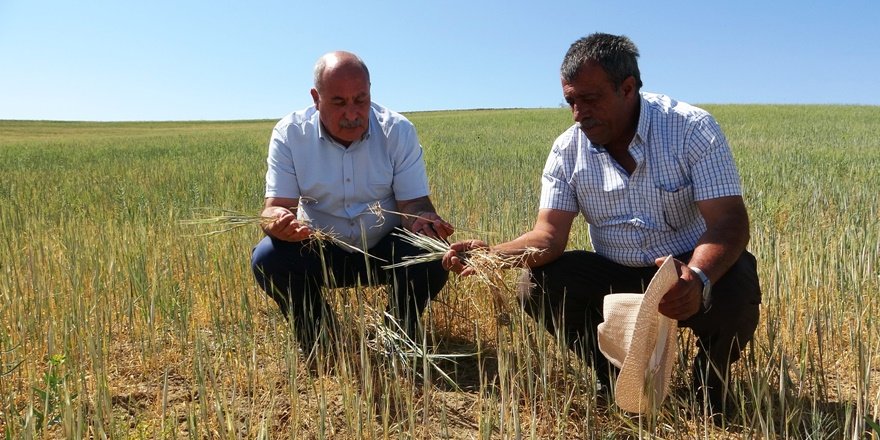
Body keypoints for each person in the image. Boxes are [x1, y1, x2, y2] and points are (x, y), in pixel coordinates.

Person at [443, 33, 761, 418]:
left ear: (628, 88)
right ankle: (615, 377)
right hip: (616, 274)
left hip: (683, 267)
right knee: (536, 285)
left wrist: (697, 277)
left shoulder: (691, 129)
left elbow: (729, 223)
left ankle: (708, 386)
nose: (579, 113)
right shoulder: (567, 151)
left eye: (590, 99)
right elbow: (548, 237)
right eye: (571, 101)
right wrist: (490, 256)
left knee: (738, 281)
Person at [251, 51, 454, 356]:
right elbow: (274, 208)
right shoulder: (290, 133)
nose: (352, 114)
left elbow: (413, 204)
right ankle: (320, 337)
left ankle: (397, 332)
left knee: (431, 252)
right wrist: (277, 222)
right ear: (316, 97)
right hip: (319, 247)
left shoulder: (398, 131)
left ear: (371, 92)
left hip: (384, 248)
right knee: (268, 258)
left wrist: (424, 220)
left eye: (360, 100)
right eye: (338, 102)